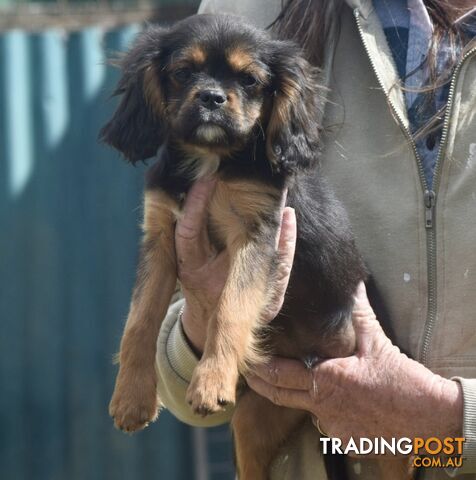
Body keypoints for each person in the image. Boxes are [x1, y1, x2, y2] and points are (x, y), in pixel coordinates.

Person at [155, 0, 476, 478]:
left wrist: (452, 423)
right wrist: (205, 321)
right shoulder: (247, 14)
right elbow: (186, 393)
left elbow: (429, 446)